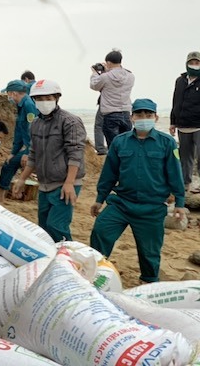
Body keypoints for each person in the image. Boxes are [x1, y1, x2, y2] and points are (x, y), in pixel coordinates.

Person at [90, 98, 186, 283]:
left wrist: (180, 203)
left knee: (150, 252)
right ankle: (96, 273)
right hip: (121, 204)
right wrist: (99, 198)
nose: (144, 118)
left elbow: (175, 174)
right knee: (100, 232)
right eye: (139, 115)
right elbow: (109, 173)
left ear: (156, 117)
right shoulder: (119, 142)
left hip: (152, 208)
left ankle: (149, 281)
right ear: (131, 117)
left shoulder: (167, 143)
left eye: (148, 115)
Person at [12, 79, 86, 242]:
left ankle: (67, 259)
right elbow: (33, 154)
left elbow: (76, 153)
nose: (43, 102)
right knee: (44, 228)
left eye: (48, 98)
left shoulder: (70, 121)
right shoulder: (36, 124)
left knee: (57, 226)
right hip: (45, 184)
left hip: (64, 183)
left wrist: (69, 183)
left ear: (57, 97)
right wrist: (22, 179)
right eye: (39, 99)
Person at [0, 79, 39, 203]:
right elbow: (19, 132)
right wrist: (13, 152)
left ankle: (4, 194)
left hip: (36, 147)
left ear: (14, 93)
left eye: (8, 93)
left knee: (14, 164)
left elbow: (33, 132)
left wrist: (27, 153)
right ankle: (1, 195)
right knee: (9, 162)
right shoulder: (20, 106)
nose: (8, 97)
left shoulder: (29, 105)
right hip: (28, 146)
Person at [89, 50, 135, 146]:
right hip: (126, 113)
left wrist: (95, 73)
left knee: (114, 146)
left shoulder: (105, 77)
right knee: (125, 144)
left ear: (108, 62)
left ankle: (107, 154)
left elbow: (94, 85)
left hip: (110, 113)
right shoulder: (130, 76)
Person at [170, 51, 200, 192]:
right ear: (187, 63)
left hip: (198, 126)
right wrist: (173, 122)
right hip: (183, 126)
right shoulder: (180, 80)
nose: (194, 65)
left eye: (197, 62)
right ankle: (185, 184)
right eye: (191, 62)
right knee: (185, 158)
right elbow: (176, 101)